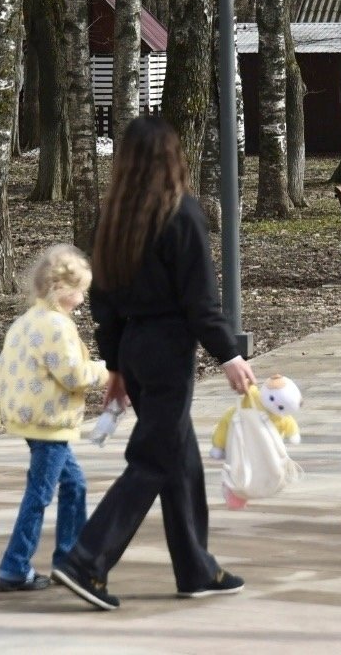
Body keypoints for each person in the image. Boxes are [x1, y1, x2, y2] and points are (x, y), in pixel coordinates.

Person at [54, 115, 257, 611]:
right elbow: (200, 302)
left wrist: (119, 364)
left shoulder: (114, 219)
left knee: (181, 459)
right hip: (167, 354)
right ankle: (87, 558)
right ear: (172, 159)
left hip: (138, 351)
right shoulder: (181, 213)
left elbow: (104, 302)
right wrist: (229, 352)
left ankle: (194, 567)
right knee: (152, 459)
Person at [0, 244, 112, 592]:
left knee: (74, 484)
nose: (84, 296)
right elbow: (73, 375)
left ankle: (67, 559)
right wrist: (107, 372)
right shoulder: (56, 326)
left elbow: (0, 368)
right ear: (60, 289)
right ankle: (14, 566)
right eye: (80, 289)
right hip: (49, 422)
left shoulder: (24, 323)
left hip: (30, 419)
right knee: (39, 494)